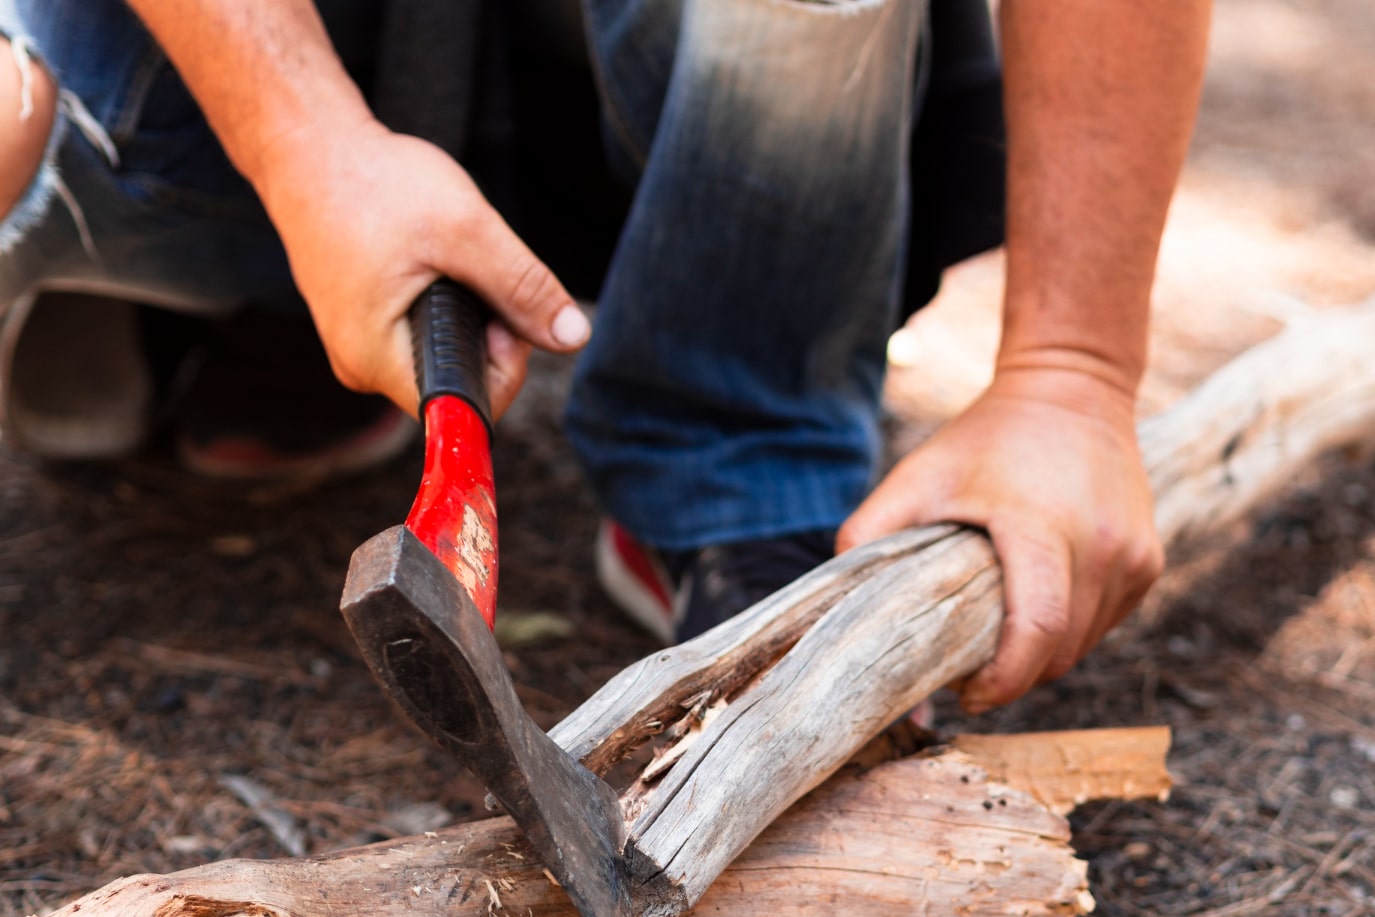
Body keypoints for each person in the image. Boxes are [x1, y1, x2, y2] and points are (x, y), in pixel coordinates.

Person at [0, 0, 1210, 712]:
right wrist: (304, 147)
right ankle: (271, 313)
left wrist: (1072, 368)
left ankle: (733, 432)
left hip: (708, 102)